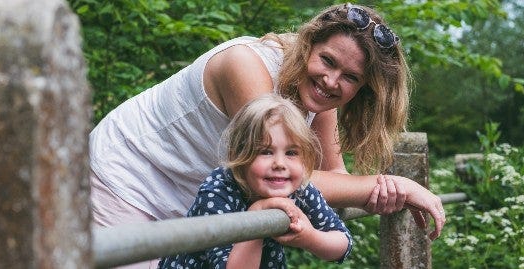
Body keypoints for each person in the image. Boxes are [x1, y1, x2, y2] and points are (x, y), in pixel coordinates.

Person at [89, 3, 446, 267]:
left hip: (192, 198)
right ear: (308, 43)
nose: (332, 80)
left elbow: (333, 179)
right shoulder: (246, 65)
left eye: (351, 77)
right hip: (127, 178)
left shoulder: (319, 97)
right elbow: (282, 169)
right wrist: (393, 184)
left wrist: (380, 192)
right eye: (327, 60)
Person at [158, 94, 352, 269]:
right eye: (265, 151)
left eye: (292, 153)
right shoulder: (219, 190)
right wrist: (257, 215)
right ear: (240, 155)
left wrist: (310, 237)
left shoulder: (299, 188)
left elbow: (343, 243)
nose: (279, 164)